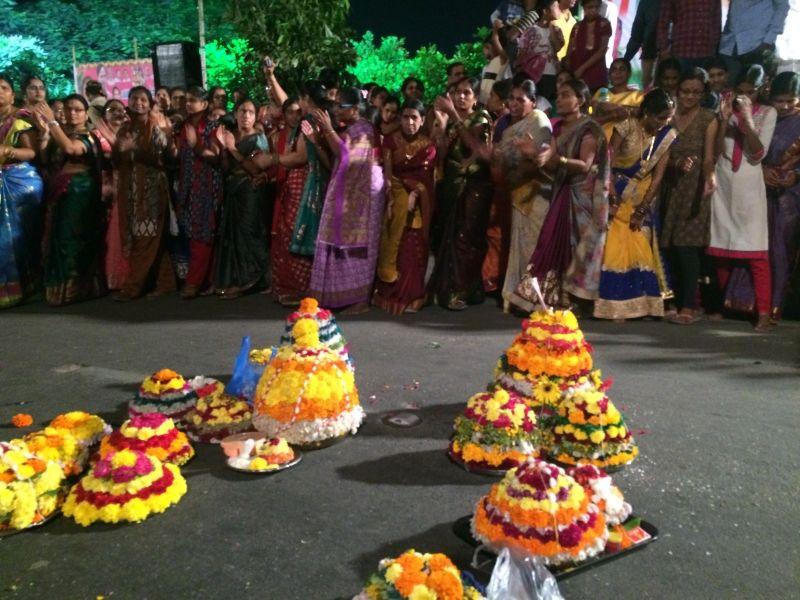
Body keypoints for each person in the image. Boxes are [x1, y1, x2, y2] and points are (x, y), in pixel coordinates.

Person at [511, 79, 610, 310]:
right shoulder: (558, 128)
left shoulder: (590, 128)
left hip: (583, 196)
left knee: (578, 245)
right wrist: (534, 153)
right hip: (562, 191)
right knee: (553, 239)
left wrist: (555, 159)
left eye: (566, 95)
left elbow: (585, 165)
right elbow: (550, 162)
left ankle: (576, 298)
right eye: (558, 95)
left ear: (581, 100)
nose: (560, 99)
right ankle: (552, 296)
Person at [723, 71, 800, 324]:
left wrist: (795, 176)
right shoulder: (764, 116)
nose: (786, 106)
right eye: (780, 100)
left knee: (782, 248)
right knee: (755, 246)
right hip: (758, 188)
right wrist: (763, 172)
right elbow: (748, 150)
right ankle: (745, 302)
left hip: (790, 196)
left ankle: (774, 305)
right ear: (770, 97)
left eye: (791, 100)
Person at [594, 89, 677, 320]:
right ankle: (613, 305)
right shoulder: (627, 126)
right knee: (615, 247)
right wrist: (611, 196)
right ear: (647, 113)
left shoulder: (667, 136)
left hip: (641, 195)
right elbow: (608, 160)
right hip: (616, 190)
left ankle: (643, 305)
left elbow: (659, 176)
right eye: (661, 117)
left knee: (640, 245)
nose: (665, 123)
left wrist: (642, 208)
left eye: (669, 118)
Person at [708, 66, 777, 332]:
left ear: (760, 91)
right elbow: (714, 153)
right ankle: (722, 306)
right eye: (741, 92)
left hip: (750, 186)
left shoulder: (767, 113)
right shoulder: (724, 108)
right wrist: (725, 120)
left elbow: (758, 153)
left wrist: (747, 121)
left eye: (752, 92)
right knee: (721, 249)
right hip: (724, 182)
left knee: (756, 252)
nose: (746, 97)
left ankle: (762, 313)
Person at [308, 87, 385, 313]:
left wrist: (328, 130)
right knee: (339, 244)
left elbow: (346, 155)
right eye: (334, 106)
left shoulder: (363, 129)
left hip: (362, 200)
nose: (334, 110)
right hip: (345, 193)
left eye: (339, 106)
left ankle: (359, 300)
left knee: (357, 249)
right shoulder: (352, 128)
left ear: (353, 109)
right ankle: (338, 298)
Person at [660, 68, 719, 325]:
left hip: (695, 185)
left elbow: (708, 158)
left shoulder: (709, 118)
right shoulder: (669, 117)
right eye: (685, 91)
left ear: (703, 93)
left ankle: (689, 305)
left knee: (687, 246)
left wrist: (709, 177)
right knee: (668, 245)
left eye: (696, 92)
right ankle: (670, 300)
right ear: (677, 91)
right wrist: (674, 164)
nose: (689, 97)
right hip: (668, 182)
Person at [428, 77, 493, 310]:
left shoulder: (481, 118)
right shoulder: (453, 120)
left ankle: (461, 290)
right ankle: (450, 289)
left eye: (467, 93)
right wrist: (442, 124)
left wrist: (454, 116)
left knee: (467, 240)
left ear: (476, 98)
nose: (461, 97)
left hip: (474, 186)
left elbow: (476, 148)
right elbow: (442, 154)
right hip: (451, 186)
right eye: (457, 93)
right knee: (448, 236)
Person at [33, 95, 105, 305]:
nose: (72, 114)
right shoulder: (63, 133)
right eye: (68, 109)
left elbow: (71, 149)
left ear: (86, 113)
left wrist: (53, 123)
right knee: (58, 237)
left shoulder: (88, 136)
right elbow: (46, 159)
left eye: (77, 110)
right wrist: (45, 132)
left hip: (80, 193)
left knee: (73, 239)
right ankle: (60, 290)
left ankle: (77, 289)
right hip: (61, 193)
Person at [493, 80, 553, 312]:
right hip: (517, 193)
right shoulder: (509, 127)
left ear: (533, 102)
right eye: (512, 99)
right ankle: (518, 299)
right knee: (518, 248)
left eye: (521, 99)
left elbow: (541, 160)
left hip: (537, 194)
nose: (515, 104)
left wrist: (513, 176)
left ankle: (538, 302)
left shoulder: (538, 120)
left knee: (533, 248)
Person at [111, 86, 175, 301]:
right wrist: (121, 150)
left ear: (150, 104)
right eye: (134, 99)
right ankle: (165, 283)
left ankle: (132, 288)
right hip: (130, 190)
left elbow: (159, 158)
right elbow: (116, 160)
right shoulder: (125, 129)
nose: (138, 103)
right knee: (152, 239)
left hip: (151, 191)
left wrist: (134, 150)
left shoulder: (155, 126)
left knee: (146, 237)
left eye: (143, 100)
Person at [374, 100, 437, 314]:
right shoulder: (391, 141)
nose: (409, 122)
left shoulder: (428, 146)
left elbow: (426, 178)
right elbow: (389, 173)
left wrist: (415, 194)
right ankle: (388, 294)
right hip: (395, 198)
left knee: (412, 248)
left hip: (418, 203)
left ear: (421, 121)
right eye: (406, 117)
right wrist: (392, 196)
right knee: (393, 245)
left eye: (414, 118)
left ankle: (413, 294)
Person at [261, 95, 324, 306]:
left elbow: (301, 157)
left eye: (299, 110)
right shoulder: (290, 131)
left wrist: (273, 159)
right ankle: (287, 286)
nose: (296, 115)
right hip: (291, 184)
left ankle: (300, 288)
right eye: (291, 111)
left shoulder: (308, 124)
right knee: (287, 232)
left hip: (304, 185)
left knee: (298, 232)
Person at [213, 99, 270, 298]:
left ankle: (253, 279)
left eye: (251, 112)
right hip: (232, 190)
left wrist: (233, 149)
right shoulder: (231, 135)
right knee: (232, 235)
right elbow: (225, 168)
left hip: (250, 191)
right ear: (235, 114)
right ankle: (236, 280)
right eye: (242, 111)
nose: (246, 115)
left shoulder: (259, 139)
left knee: (249, 233)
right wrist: (223, 148)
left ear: (255, 117)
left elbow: (256, 169)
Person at [0, 74, 44, 308]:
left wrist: (6, 151)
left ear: (13, 93)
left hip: (18, 182)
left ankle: (26, 285)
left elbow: (32, 153)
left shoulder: (20, 118)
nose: (0, 92)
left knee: (17, 238)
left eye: (4, 88)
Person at [175, 86, 223, 299]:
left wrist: (196, 146)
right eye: (186, 100)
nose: (188, 104)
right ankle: (206, 281)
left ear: (204, 104)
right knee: (192, 234)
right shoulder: (183, 126)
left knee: (202, 236)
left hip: (206, 188)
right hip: (187, 187)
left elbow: (215, 155)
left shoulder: (212, 126)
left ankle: (194, 282)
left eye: (192, 100)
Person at [92, 99, 129, 290]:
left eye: (120, 109)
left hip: (129, 184)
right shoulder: (96, 135)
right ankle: (115, 277)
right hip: (106, 185)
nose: (116, 113)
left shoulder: (131, 131)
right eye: (111, 110)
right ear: (104, 114)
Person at [719, 0, 790, 81]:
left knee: (755, 87)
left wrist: (769, 39)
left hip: (757, 44)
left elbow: (782, 7)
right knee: (732, 87)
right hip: (730, 45)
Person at [513, 0, 563, 102]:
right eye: (556, 7)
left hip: (551, 73)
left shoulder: (556, 30)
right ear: (545, 11)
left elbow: (558, 47)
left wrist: (552, 30)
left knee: (547, 101)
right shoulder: (531, 29)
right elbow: (523, 51)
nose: (559, 10)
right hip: (532, 73)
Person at [656, 0, 721, 71]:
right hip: (681, 51)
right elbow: (663, 22)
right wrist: (664, 49)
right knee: (681, 81)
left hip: (707, 52)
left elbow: (716, 20)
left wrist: (714, 44)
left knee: (706, 81)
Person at [592, 58, 644, 140]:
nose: (617, 73)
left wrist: (614, 108)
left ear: (629, 73)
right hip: (601, 138)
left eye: (622, 69)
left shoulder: (638, 95)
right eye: (614, 69)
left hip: (627, 140)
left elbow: (641, 114)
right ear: (609, 74)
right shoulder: (603, 92)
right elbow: (594, 113)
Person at [565, 0, 612, 92]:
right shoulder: (577, 26)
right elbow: (569, 51)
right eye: (590, 7)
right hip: (576, 70)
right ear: (584, 8)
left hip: (596, 72)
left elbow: (602, 51)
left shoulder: (604, 24)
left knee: (596, 103)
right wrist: (567, 65)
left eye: (597, 7)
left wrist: (581, 69)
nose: (594, 10)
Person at [624, 0, 662, 88]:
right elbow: (637, 33)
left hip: (677, 52)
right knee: (649, 90)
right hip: (651, 52)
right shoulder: (646, 2)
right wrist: (626, 59)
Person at [480, 24, 512, 105]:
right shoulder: (485, 68)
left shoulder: (503, 63)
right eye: (485, 47)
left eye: (488, 47)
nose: (485, 51)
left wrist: (495, 32)